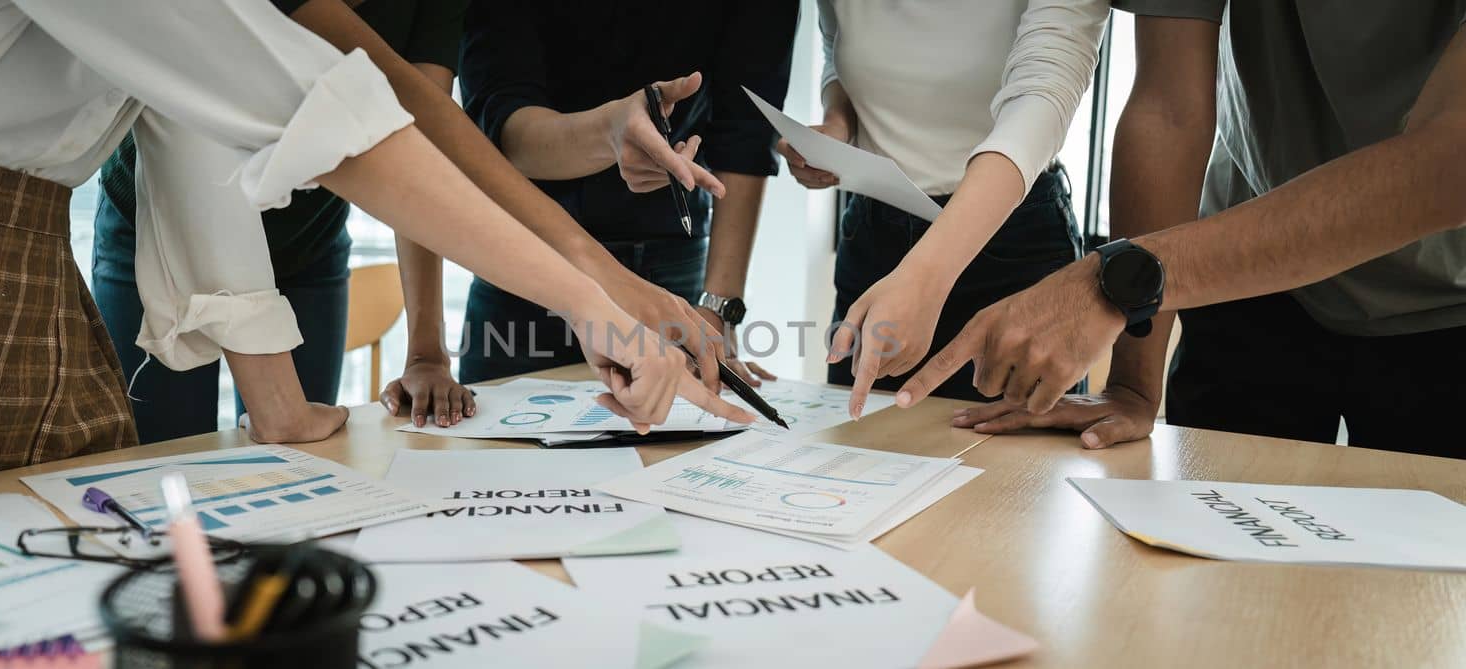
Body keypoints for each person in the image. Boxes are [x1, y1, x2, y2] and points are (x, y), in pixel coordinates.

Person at [0, 0, 750, 485]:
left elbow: (195, 126)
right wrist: (587, 296)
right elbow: (332, 118)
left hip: (3, 261)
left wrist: (277, 398)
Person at [906, 3, 1466, 458]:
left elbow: (1447, 165)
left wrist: (1119, 281)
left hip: (1450, 298)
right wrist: (1132, 382)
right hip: (1248, 273)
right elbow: (1169, 110)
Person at [92, 0, 474, 443]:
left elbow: (421, 151)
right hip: (155, 232)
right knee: (164, 463)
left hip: (307, 240)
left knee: (306, 461)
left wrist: (426, 353)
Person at [778, 0, 1107, 417]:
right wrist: (839, 124)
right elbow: (838, 50)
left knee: (1014, 470)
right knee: (861, 458)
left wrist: (925, 277)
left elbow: (1045, 92)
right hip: (876, 229)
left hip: (1011, 238)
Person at [455, 0, 798, 386]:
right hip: (527, 263)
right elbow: (497, 127)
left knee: (682, 436)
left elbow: (746, 131)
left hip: (672, 263)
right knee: (505, 442)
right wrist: (610, 134)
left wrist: (719, 307)